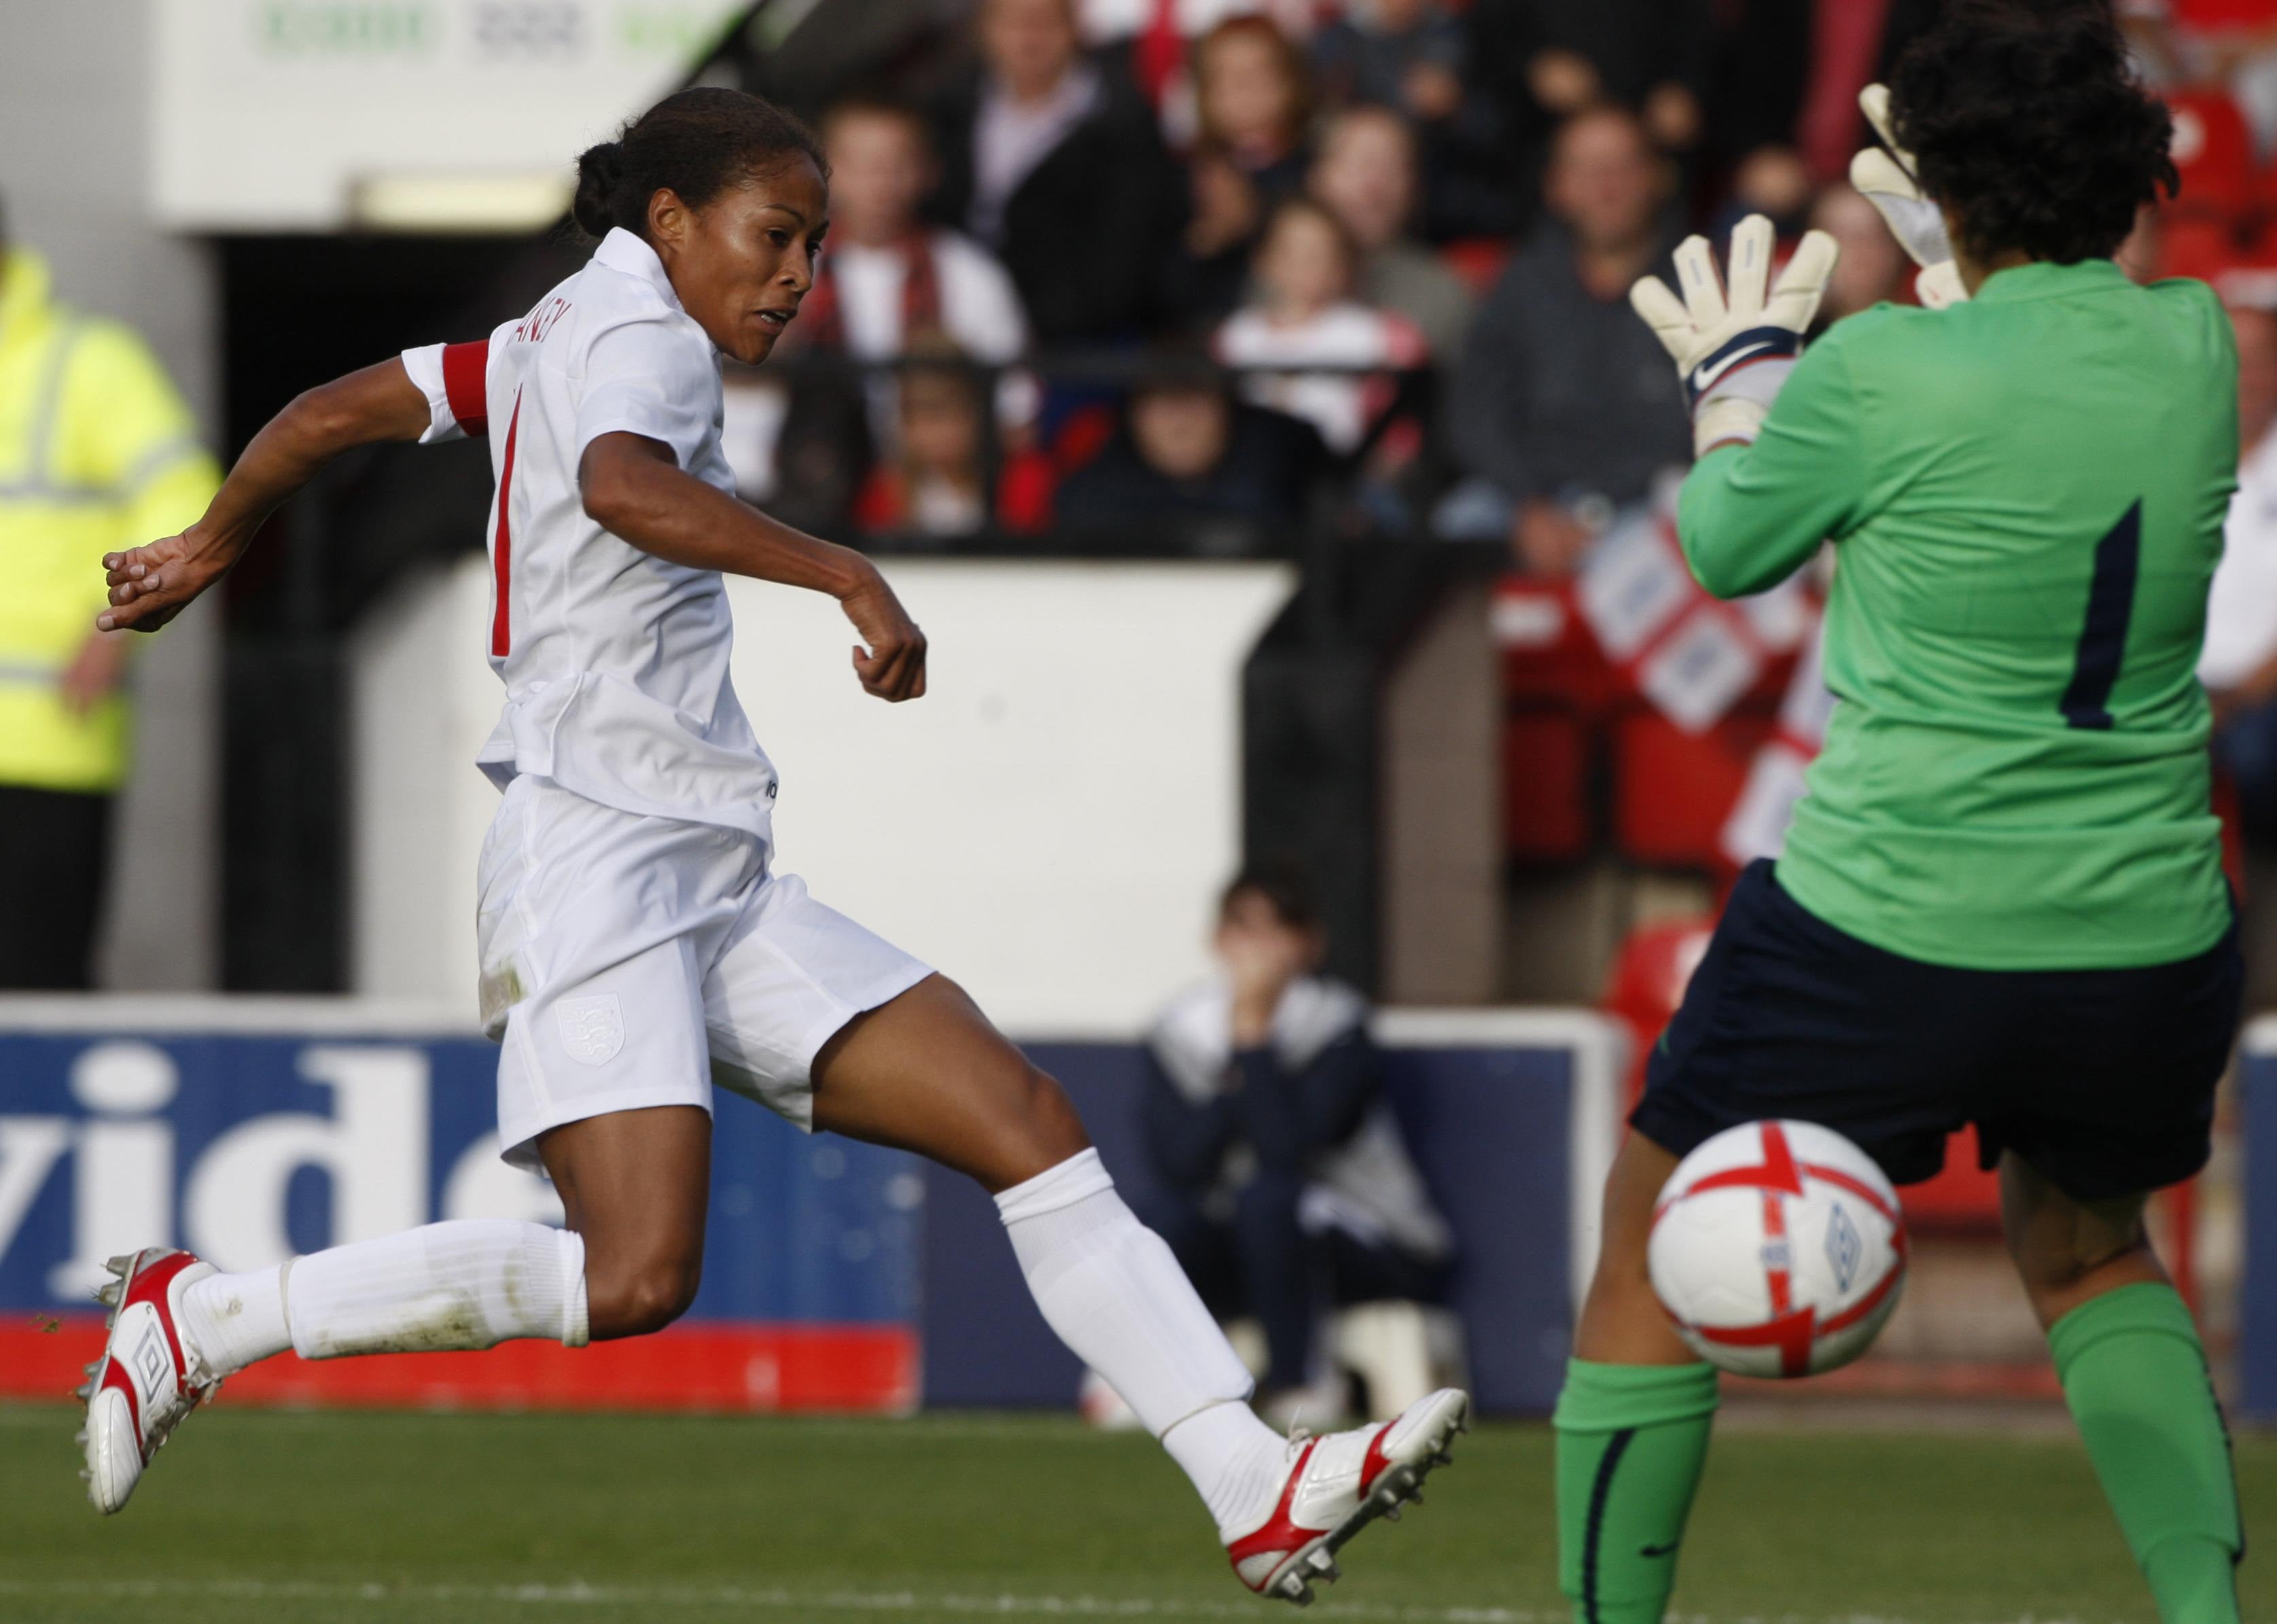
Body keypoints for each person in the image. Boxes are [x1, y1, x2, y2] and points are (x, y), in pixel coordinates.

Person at [81, 88, 1466, 1604]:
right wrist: (845, 572)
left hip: (708, 873)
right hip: (594, 856)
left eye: (815, 242)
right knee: (635, 1278)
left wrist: (212, 544)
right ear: (668, 222)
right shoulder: (640, 337)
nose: (800, 273)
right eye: (775, 234)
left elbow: (334, 410)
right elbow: (621, 484)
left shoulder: (548, 332)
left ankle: (1247, 1480)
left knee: (1020, 1117)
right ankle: (203, 1318)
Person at [1565, 10, 2246, 1624]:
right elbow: (2040, 366)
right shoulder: (2195, 343)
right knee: (2088, 1254)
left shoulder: (1872, 365)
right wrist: (1975, 257)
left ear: (1934, 194)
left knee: (1642, 1242)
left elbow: (1725, 549)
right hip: (2138, 927)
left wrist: (1738, 381)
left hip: (1885, 916)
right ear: (2124, 173)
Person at [1139, 866, 1453, 1419]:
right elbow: (1179, 1162)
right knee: (1165, 1220)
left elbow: (1290, 1150)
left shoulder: (1338, 1025)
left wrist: (1252, 1041)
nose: (1258, 949)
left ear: (1309, 944)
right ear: (1218, 940)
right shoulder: (1179, 1028)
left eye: (1276, 929)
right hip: (1239, 1235)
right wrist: (1243, 1062)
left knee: (1270, 1201)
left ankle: (1297, 1382)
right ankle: (1160, 1384)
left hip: (1367, 1235)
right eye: (1243, 929)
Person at [0, 198, 219, 989]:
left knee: (34, 983)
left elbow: (182, 497)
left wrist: (114, 626)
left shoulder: (88, 363)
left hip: (49, 743)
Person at [1444, 107, 1691, 574]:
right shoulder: (1520, 284)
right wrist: (1530, 506)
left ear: (1656, 177)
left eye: (1620, 167)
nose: (1605, 188)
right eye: (1585, 170)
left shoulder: (1702, 284)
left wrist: (1593, 514)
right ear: (1555, 186)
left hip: (1648, 505)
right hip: (1524, 502)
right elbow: (1476, 413)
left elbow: (1708, 428)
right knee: (1457, 527)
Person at [928, 0, 1183, 346]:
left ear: (1077, 27)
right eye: (1014, 23)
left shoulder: (1125, 119)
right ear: (983, 29)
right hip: (955, 332)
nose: (1030, 39)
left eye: (1046, 24)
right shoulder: (943, 108)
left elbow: (1128, 249)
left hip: (1079, 345)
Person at [1214, 196, 1427, 457]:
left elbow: (1404, 427)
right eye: (1292, 251)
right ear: (1262, 259)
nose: (1306, 266)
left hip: (1342, 475)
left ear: (1344, 264)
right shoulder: (1236, 337)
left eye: (1321, 253)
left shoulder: (1376, 336)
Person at [1053, 356, 1325, 543]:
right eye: (1164, 402)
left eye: (1195, 400)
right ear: (1134, 416)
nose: (1181, 422)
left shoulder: (1284, 468)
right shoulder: (1091, 500)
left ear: (1228, 410)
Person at [1173, 16, 1319, 321]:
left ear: (1291, 82)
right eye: (1225, 77)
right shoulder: (1183, 177)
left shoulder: (1318, 170)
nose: (1242, 90)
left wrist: (1253, 219)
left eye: (1257, 74)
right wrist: (1207, 242)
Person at [1307, 106, 1475, 368]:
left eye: (1392, 168)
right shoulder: (1271, 272)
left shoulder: (1442, 291)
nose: (1374, 187)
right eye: (1359, 165)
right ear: (1317, 177)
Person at [2203, 302, 2277, 847]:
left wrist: (2237, 699)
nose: (2242, 378)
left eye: (2256, 360)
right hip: (2168, 689)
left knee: (2255, 755)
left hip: (2261, 697)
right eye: (2228, 360)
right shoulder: (2163, 460)